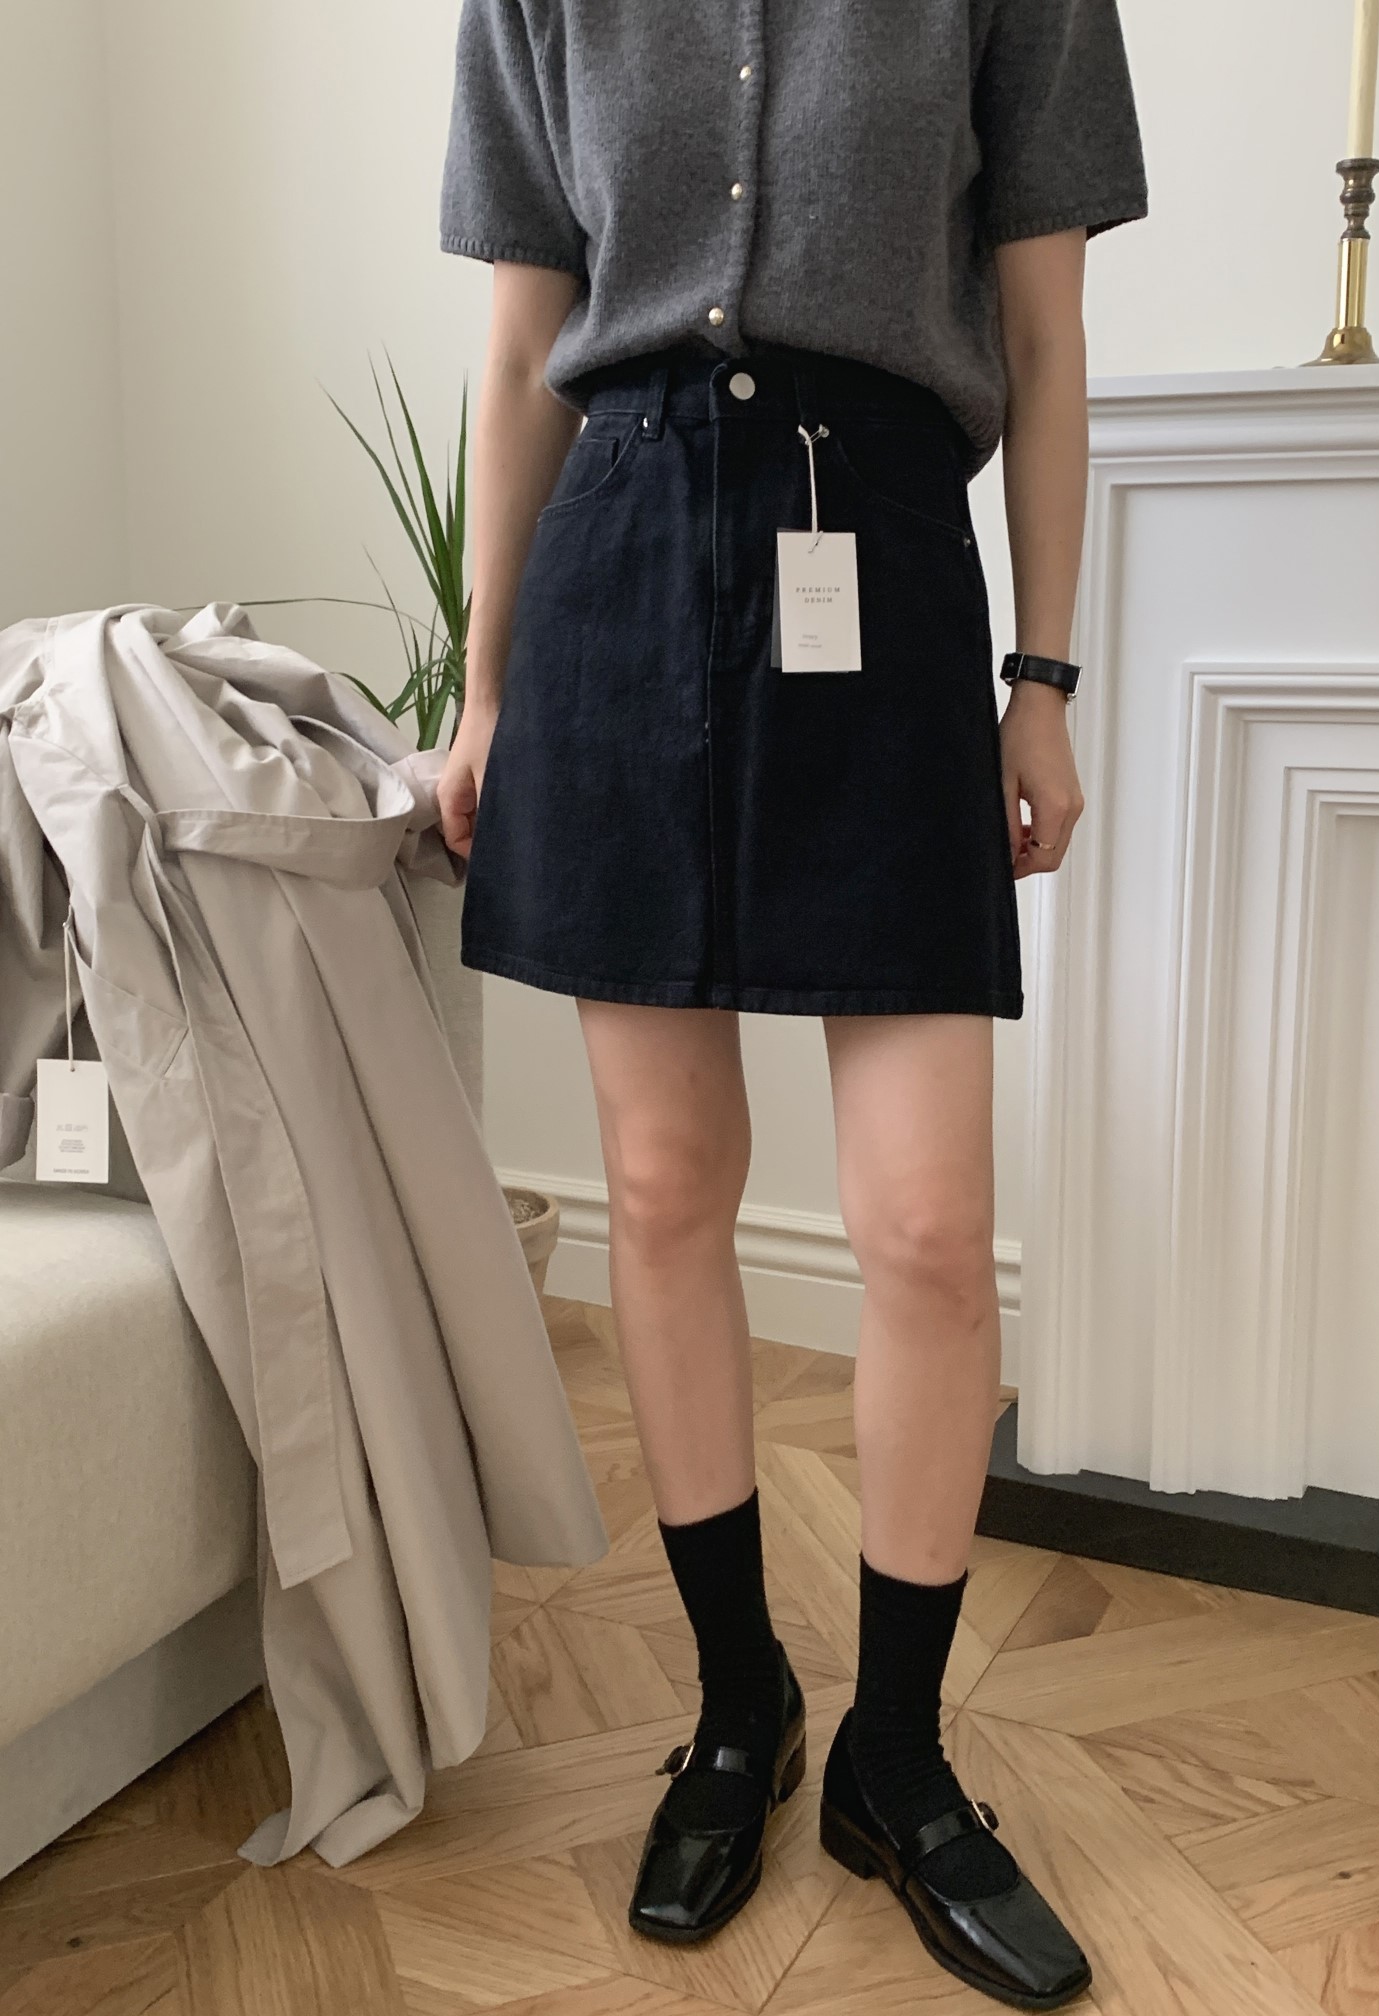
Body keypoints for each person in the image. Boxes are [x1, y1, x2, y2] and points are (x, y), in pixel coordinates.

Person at [436, 3, 1146, 2005]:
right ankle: (738, 1705)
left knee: (924, 1229)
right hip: (620, 563)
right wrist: (483, 684)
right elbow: (520, 338)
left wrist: (1046, 679)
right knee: (665, 1192)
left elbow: (1045, 338)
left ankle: (896, 1757)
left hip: (884, 561)